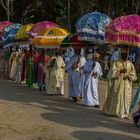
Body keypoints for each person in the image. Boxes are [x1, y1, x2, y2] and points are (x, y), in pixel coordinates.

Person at [102, 47, 137, 119]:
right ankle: (114, 111)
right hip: (117, 83)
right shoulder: (116, 63)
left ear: (128, 55)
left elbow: (133, 75)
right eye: (123, 54)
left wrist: (128, 76)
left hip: (126, 84)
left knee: (125, 97)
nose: (124, 56)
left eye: (125, 54)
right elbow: (110, 74)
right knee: (116, 97)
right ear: (121, 54)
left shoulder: (130, 64)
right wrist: (120, 71)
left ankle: (123, 113)